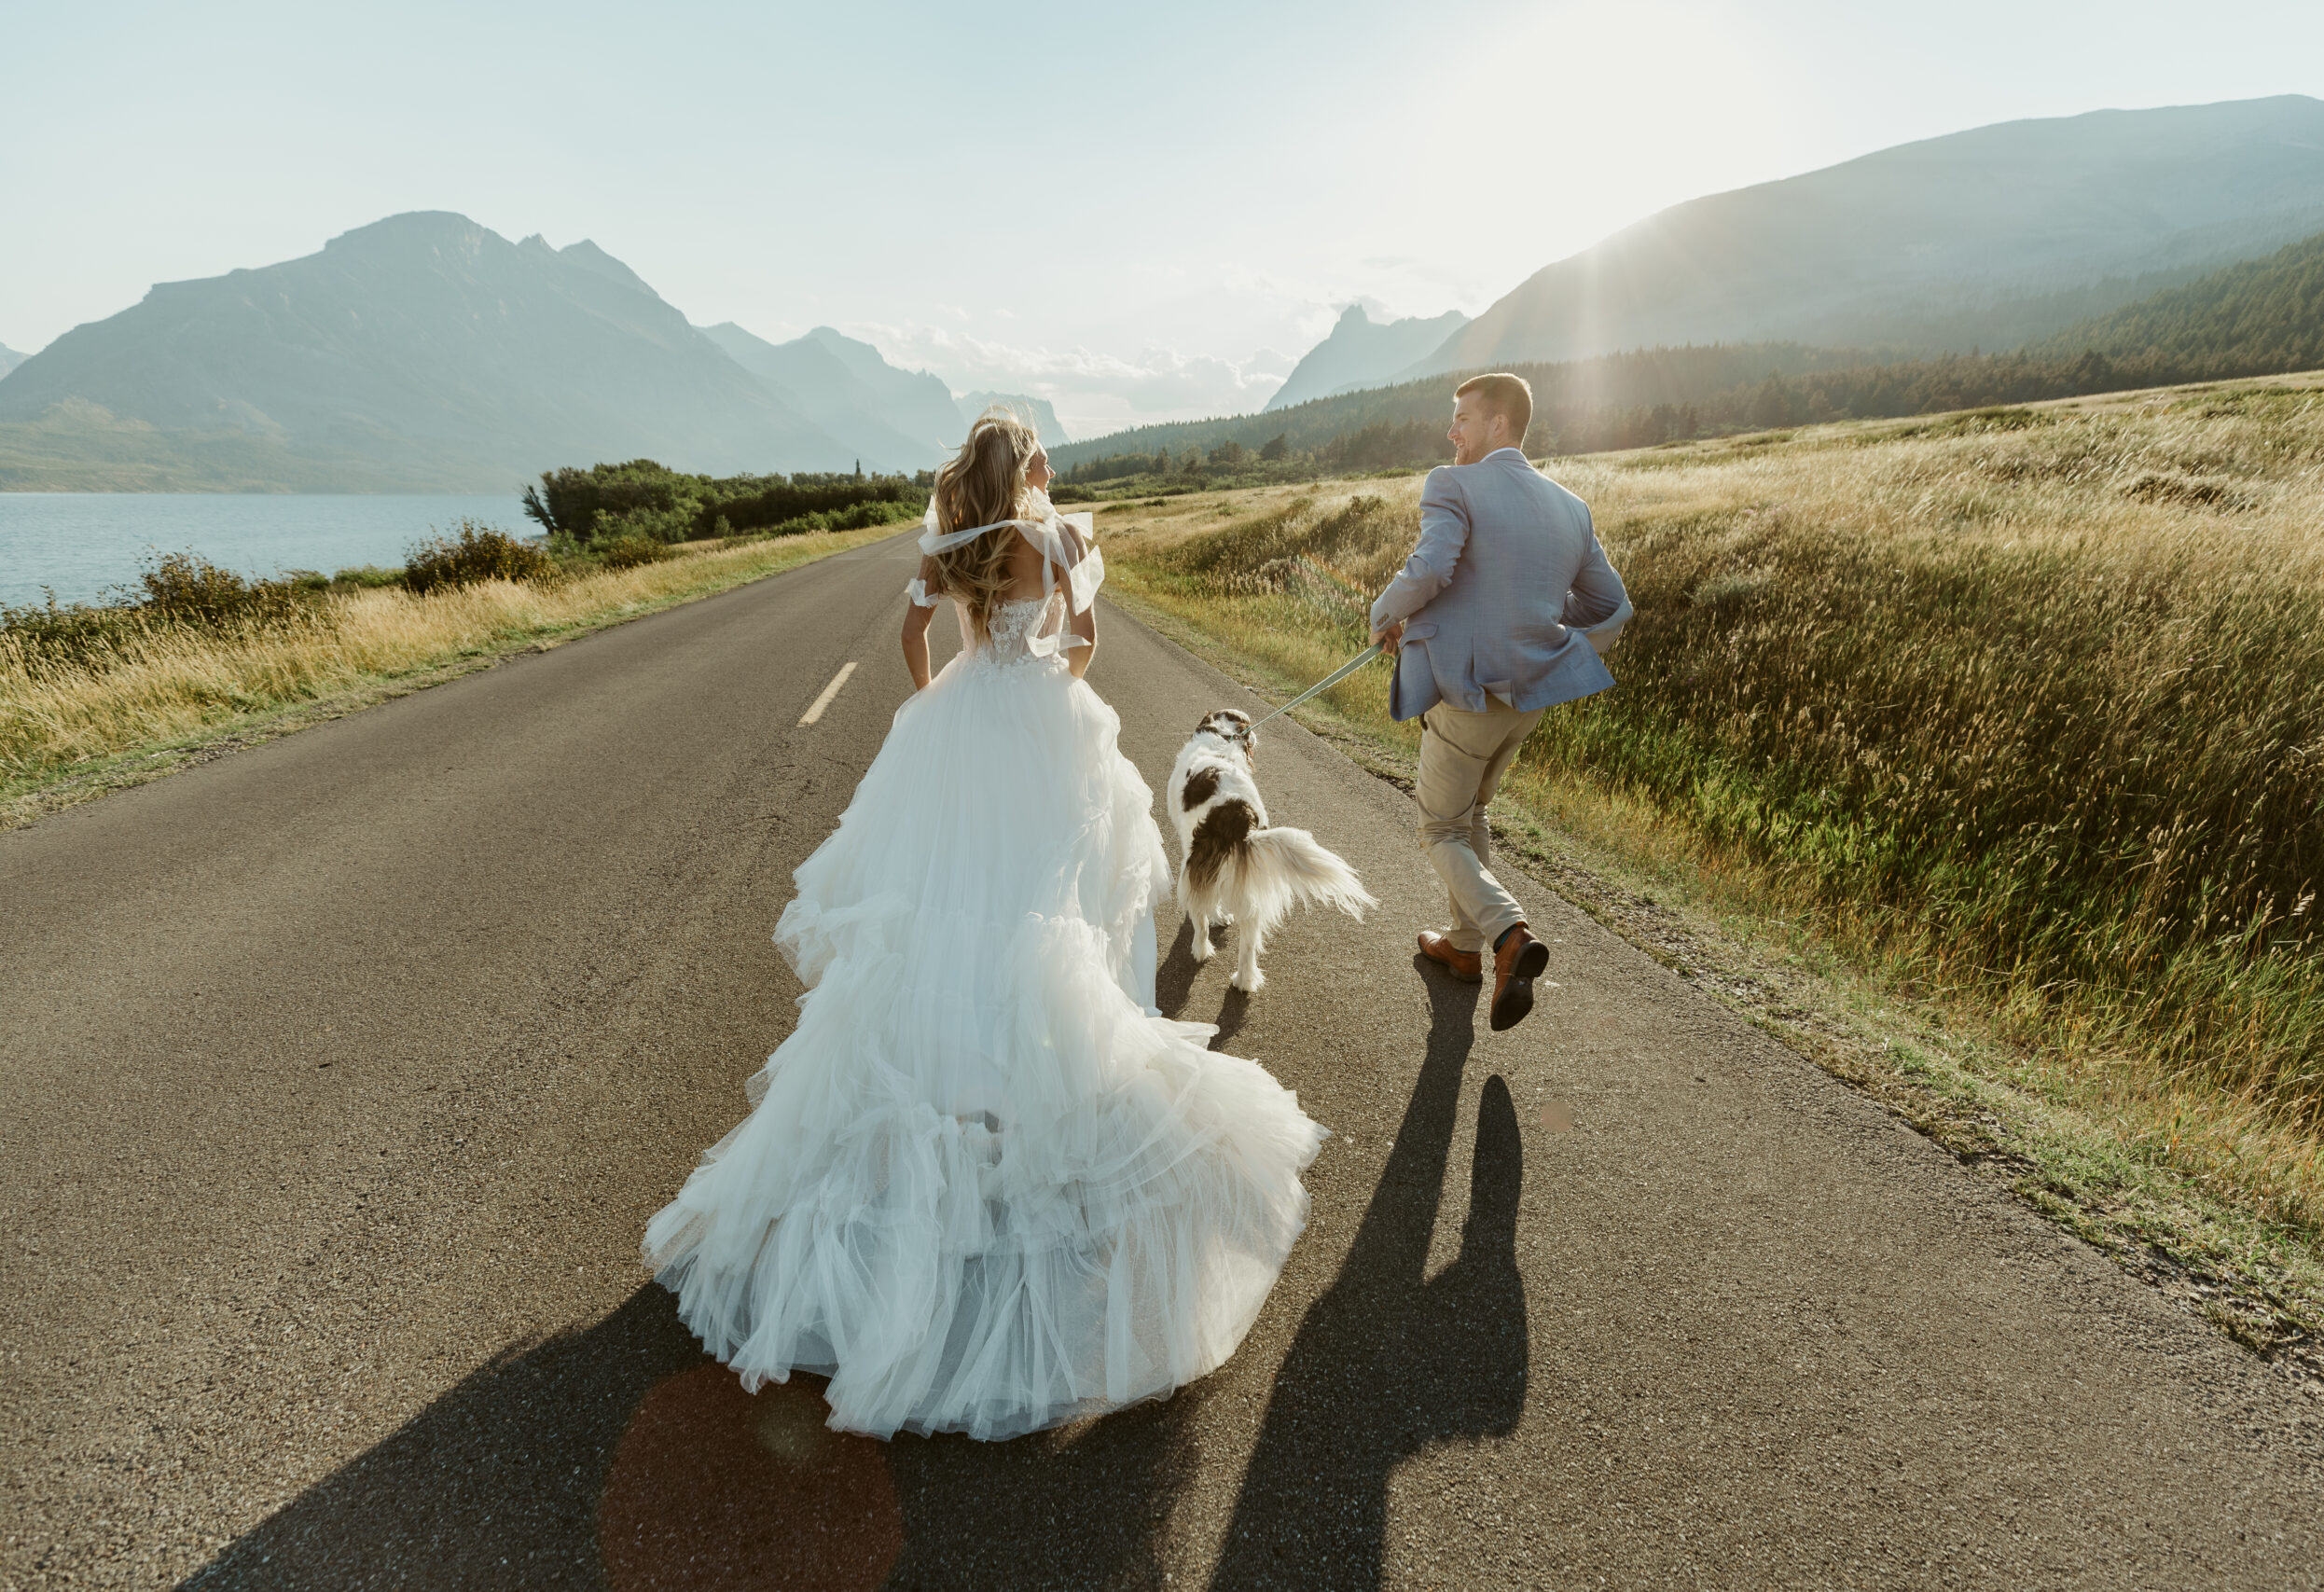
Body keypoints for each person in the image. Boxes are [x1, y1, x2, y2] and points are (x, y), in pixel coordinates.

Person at [643, 409, 1327, 1441]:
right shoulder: (1057, 540)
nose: (1052, 463)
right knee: (1046, 913)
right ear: (1029, 466)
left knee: (938, 918)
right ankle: (1025, 1100)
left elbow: (911, 634)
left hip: (960, 726)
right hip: (1043, 731)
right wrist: (1053, 674)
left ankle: (947, 1100)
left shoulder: (954, 544)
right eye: (1042, 451)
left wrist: (943, 703)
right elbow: (1084, 641)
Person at [1366, 373, 1631, 1031]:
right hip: (1531, 697)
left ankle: (1508, 934)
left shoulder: (1451, 483)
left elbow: (1430, 569)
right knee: (1471, 812)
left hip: (1470, 693)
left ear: (1499, 425)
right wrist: (1544, 633)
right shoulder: (1571, 507)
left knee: (1437, 826)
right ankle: (1462, 947)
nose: (1451, 432)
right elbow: (1613, 609)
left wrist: (1383, 614)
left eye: (1462, 418)